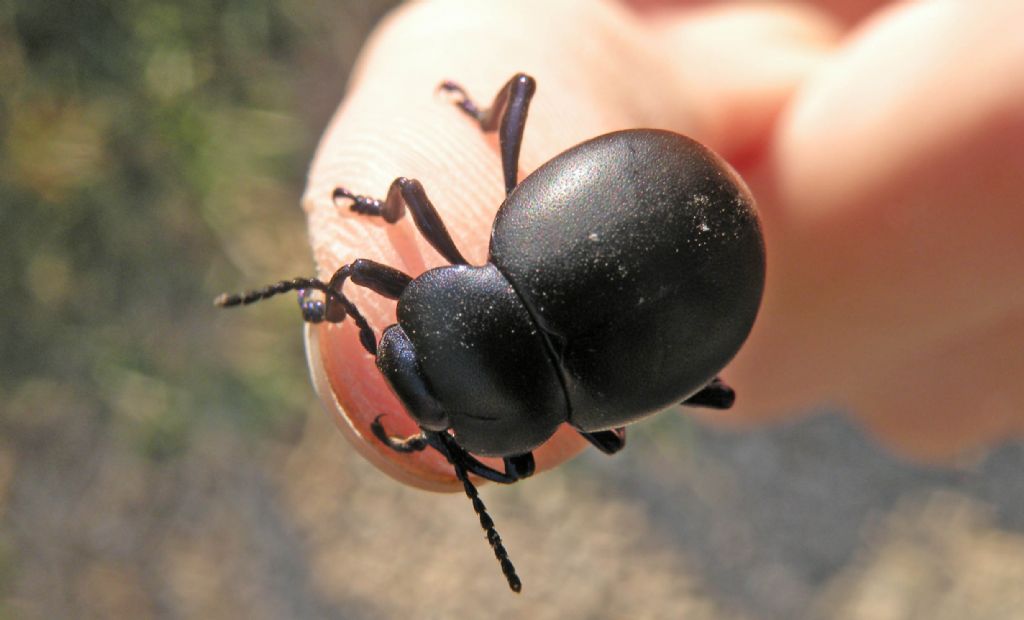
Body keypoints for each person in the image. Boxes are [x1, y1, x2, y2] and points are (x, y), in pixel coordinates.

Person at [302, 0, 1024, 479]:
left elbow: (541, 455)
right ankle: (489, 120)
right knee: (514, 97)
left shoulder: (591, 409)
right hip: (676, 197)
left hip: (709, 268)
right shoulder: (516, 295)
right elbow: (382, 242)